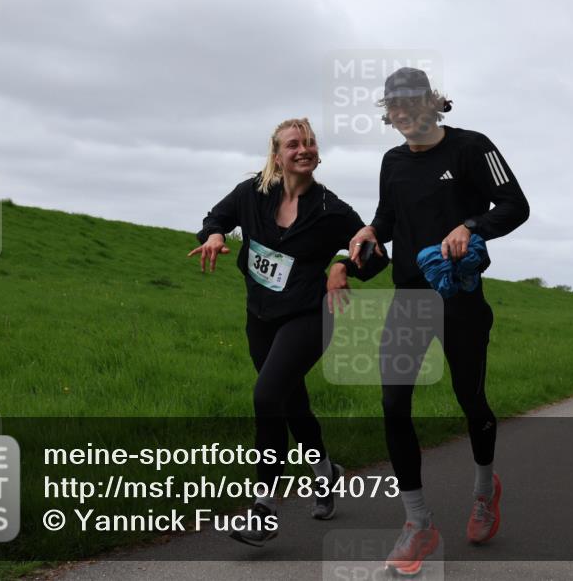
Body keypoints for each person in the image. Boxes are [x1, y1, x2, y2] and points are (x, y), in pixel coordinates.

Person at [344, 68, 530, 575]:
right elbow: (388, 216)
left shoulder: (473, 147)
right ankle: (418, 523)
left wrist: (470, 226)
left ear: (431, 102)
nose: (401, 113)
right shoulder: (392, 161)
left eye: (410, 103)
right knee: (393, 401)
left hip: (461, 297)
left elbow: (516, 205)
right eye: (393, 106)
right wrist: (368, 231)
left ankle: (483, 489)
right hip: (409, 296)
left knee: (471, 399)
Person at [189, 118, 386, 546]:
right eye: (294, 144)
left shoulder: (332, 210)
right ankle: (325, 472)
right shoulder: (252, 193)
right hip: (260, 316)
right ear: (277, 155)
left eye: (310, 143)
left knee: (266, 396)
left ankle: (264, 507)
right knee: (291, 404)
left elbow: (372, 253)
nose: (304, 149)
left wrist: (343, 265)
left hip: (310, 316)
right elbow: (215, 217)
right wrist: (215, 235)